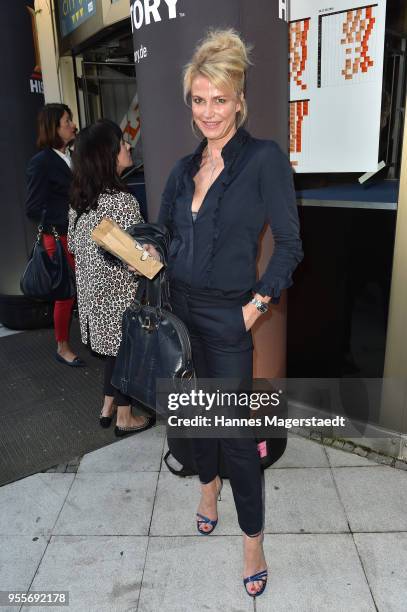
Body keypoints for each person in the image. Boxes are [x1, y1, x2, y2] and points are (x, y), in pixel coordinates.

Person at [158, 29, 303, 597]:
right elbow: (168, 237)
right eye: (199, 100)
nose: (209, 111)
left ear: (240, 99)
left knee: (238, 435)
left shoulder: (264, 160)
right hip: (180, 313)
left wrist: (255, 307)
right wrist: (147, 251)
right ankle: (206, 486)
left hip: (229, 318)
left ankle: (252, 539)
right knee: (193, 420)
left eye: (220, 98)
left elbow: (290, 244)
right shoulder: (181, 168)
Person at [68, 119, 154, 437]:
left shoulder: (80, 201)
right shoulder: (121, 202)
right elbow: (139, 261)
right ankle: (124, 417)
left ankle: (107, 407)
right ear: (108, 154)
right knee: (126, 354)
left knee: (112, 352)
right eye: (122, 143)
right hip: (119, 299)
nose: (128, 147)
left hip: (93, 301)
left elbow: (75, 246)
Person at [26, 103, 85, 366]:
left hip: (79, 234)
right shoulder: (41, 162)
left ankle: (88, 337)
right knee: (66, 293)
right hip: (58, 238)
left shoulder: (73, 156)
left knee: (81, 289)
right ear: (54, 128)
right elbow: (33, 208)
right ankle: (62, 346)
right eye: (66, 121)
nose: (73, 125)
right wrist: (58, 223)